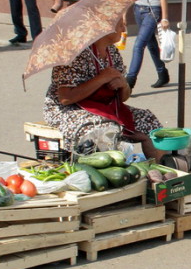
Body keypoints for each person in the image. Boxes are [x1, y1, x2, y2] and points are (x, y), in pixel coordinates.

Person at [43, 16, 164, 161]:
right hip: (68, 110)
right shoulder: (74, 54)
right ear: (105, 28)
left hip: (106, 107)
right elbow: (65, 98)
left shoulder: (112, 52)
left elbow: (123, 97)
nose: (124, 29)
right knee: (104, 128)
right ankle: (110, 172)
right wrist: (101, 78)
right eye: (120, 25)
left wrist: (123, 85)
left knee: (149, 121)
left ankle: (160, 170)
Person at [125, 0, 170, 90]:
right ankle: (162, 73)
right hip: (138, 8)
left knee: (139, 44)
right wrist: (123, 13)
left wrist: (165, 17)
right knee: (151, 43)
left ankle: (129, 81)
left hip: (153, 9)